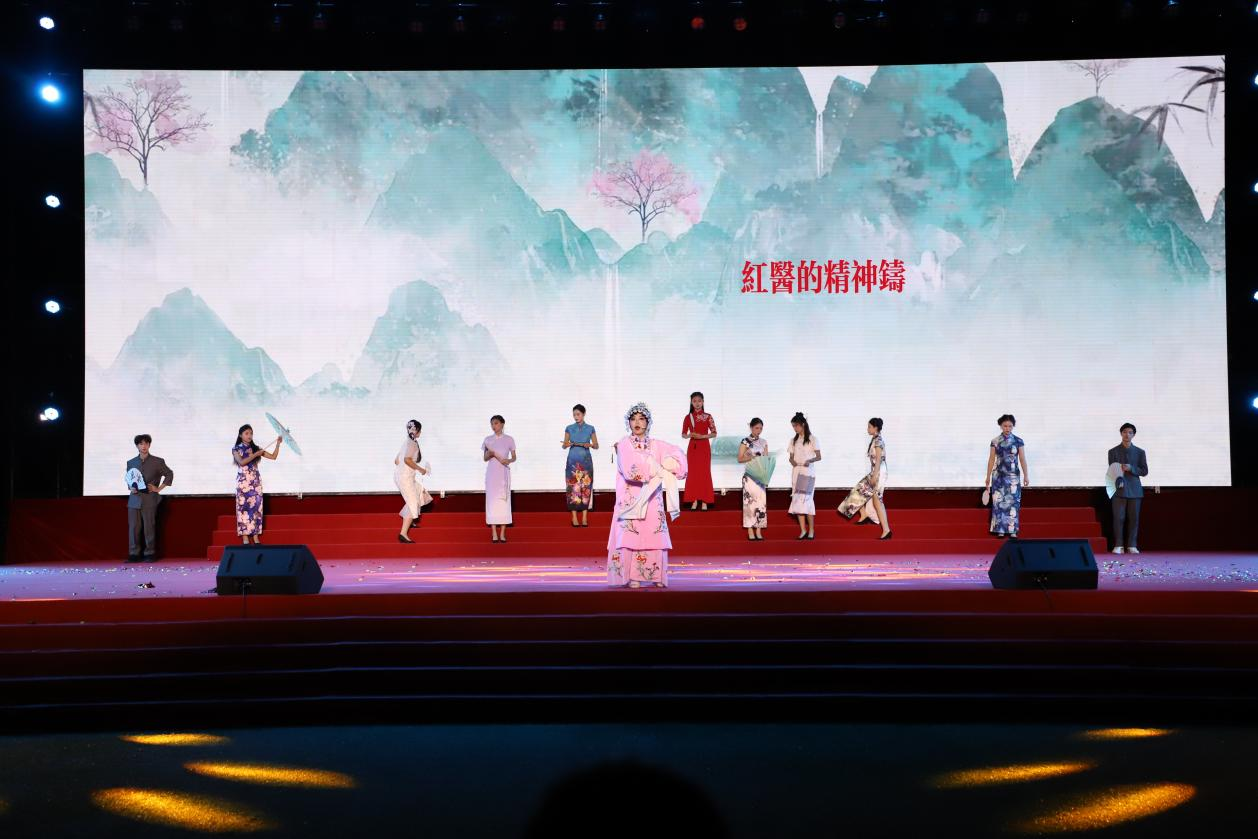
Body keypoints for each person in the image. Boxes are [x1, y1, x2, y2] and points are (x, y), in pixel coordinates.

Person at [608, 402, 688, 588]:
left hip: (652, 498)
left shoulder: (657, 445)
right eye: (633, 419)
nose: (637, 422)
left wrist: (668, 465)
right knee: (631, 534)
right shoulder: (624, 444)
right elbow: (630, 469)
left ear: (648, 422)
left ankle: (656, 575)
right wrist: (656, 467)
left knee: (653, 534)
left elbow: (678, 456)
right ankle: (632, 576)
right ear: (628, 422)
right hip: (631, 497)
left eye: (641, 419)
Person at [837, 418, 892, 540]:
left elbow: (879, 460)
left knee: (877, 500)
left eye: (869, 427)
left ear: (875, 428)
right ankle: (864, 514)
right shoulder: (875, 440)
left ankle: (886, 530)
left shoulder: (878, 441)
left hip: (879, 472)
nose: (867, 429)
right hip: (876, 471)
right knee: (860, 490)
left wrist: (875, 475)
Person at [124, 433, 173, 562]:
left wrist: (158, 488)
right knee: (133, 528)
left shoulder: (158, 461)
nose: (144, 446)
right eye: (141, 443)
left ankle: (150, 553)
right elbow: (129, 479)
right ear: (137, 446)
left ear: (149, 445)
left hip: (150, 498)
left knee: (149, 527)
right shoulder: (131, 462)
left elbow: (169, 474)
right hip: (134, 499)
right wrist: (131, 487)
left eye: (146, 443)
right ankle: (134, 554)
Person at [233, 424, 281, 545]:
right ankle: (245, 537)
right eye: (246, 433)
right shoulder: (236, 449)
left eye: (251, 433)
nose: (249, 435)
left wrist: (278, 444)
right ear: (240, 435)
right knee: (243, 508)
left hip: (255, 482)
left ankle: (255, 536)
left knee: (256, 508)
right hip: (243, 482)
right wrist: (255, 454)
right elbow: (242, 462)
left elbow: (273, 457)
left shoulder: (256, 448)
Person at [985, 414, 1028, 539]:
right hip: (998, 476)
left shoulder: (1018, 441)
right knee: (998, 502)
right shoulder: (995, 441)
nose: (1007, 428)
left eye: (1010, 426)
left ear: (1013, 426)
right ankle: (1000, 529)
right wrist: (988, 477)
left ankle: (1012, 530)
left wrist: (1026, 475)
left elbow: (1022, 459)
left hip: (1013, 476)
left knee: (1013, 503)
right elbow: (991, 459)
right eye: (1005, 426)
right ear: (1000, 426)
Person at [1108, 422, 1148, 555]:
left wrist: (1131, 468)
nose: (1127, 435)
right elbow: (1112, 470)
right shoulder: (1113, 451)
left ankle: (1132, 545)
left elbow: (1144, 471)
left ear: (1133, 435)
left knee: (1133, 519)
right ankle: (1118, 545)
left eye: (1130, 432)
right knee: (1118, 518)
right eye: (1125, 432)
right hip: (1118, 489)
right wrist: (1119, 477)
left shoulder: (1140, 452)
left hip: (1135, 490)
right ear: (1121, 433)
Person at [395, 419, 431, 544]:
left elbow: (396, 461)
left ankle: (409, 520)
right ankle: (403, 534)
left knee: (419, 492)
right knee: (412, 502)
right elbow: (407, 460)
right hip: (405, 477)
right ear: (417, 431)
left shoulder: (407, 442)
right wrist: (421, 469)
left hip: (403, 476)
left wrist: (405, 470)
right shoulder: (412, 443)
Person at [562, 404, 599, 527]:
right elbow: (564, 445)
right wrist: (566, 444)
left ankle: (584, 518)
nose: (576, 417)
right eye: (574, 415)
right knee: (573, 488)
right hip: (572, 461)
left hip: (586, 462)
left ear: (584, 414)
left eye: (578, 414)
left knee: (585, 488)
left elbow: (596, 445)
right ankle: (574, 517)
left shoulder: (590, 428)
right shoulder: (569, 428)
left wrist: (590, 445)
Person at [787, 412, 821, 540]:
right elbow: (791, 457)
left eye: (796, 426)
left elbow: (819, 456)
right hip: (797, 472)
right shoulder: (793, 440)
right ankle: (803, 530)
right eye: (793, 426)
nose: (794, 428)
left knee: (807, 501)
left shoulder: (812, 439)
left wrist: (810, 460)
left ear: (803, 425)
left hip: (807, 472)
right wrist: (792, 462)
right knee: (797, 501)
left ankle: (811, 530)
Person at [483, 415, 516, 543]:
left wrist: (509, 460)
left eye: (496, 423)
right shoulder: (488, 440)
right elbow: (485, 458)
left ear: (502, 424)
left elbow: (514, 457)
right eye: (492, 424)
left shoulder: (509, 439)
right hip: (492, 474)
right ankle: (494, 533)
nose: (493, 426)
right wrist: (490, 453)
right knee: (492, 502)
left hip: (503, 473)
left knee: (503, 502)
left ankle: (502, 533)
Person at [681, 391, 716, 511]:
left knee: (704, 473)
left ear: (703, 402)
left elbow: (714, 433)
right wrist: (689, 435)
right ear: (691, 402)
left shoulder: (708, 416)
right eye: (694, 401)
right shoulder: (688, 417)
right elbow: (683, 434)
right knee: (693, 474)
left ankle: (705, 501)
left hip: (704, 447)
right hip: (693, 448)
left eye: (699, 401)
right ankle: (694, 500)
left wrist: (702, 436)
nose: (697, 403)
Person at [738, 418, 769, 541]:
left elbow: (766, 460)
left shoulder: (764, 442)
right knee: (749, 504)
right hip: (750, 476)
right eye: (756, 428)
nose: (759, 430)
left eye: (761, 428)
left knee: (761, 504)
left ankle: (759, 530)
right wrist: (752, 457)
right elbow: (740, 459)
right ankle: (750, 530)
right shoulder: (745, 441)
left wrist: (766, 475)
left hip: (760, 476)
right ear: (751, 427)